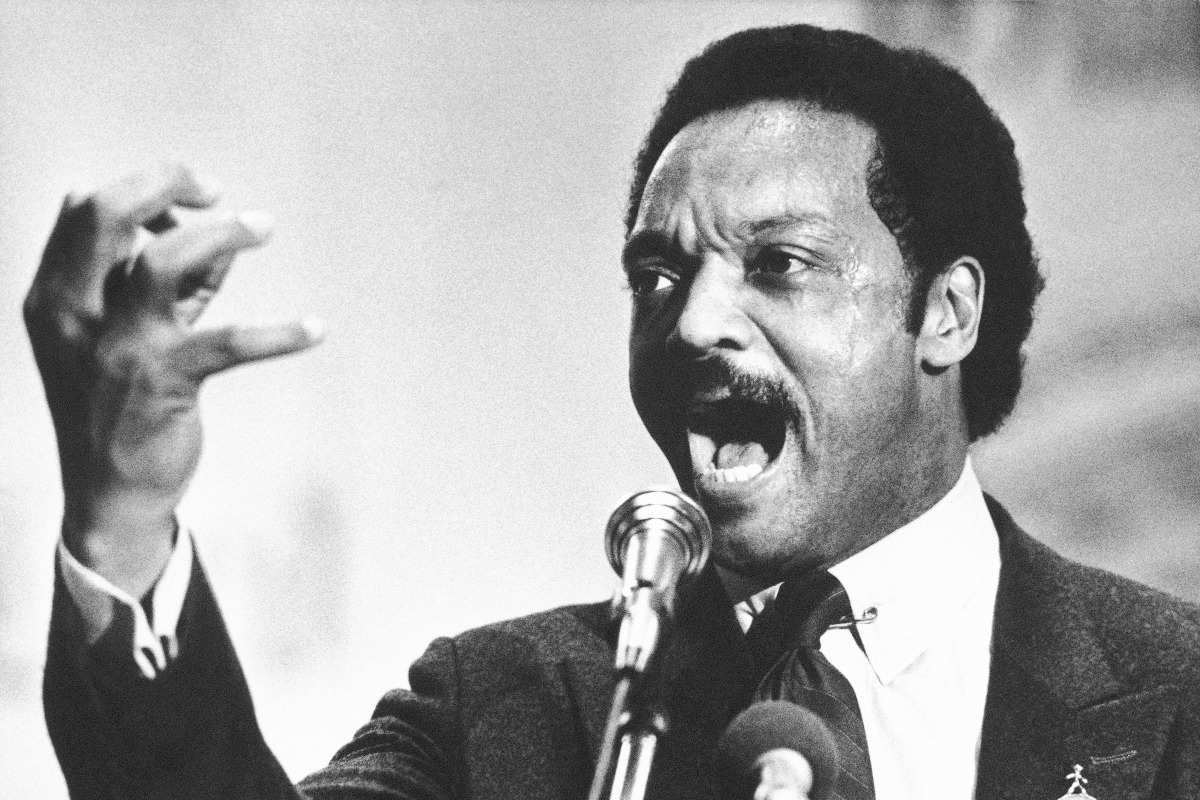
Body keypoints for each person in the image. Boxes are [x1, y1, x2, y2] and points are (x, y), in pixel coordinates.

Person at [25, 23, 1200, 800]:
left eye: (780, 263)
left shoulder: (1175, 691)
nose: (692, 326)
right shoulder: (507, 710)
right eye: (658, 278)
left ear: (944, 312)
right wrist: (122, 510)